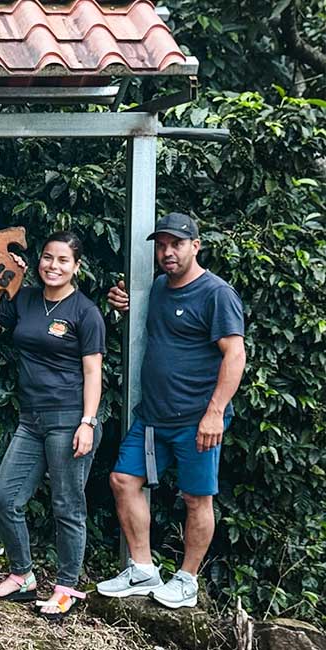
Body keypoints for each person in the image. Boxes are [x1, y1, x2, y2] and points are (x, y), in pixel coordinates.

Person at [97, 212, 245, 609]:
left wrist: (215, 412)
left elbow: (235, 354)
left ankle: (187, 580)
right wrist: (123, 303)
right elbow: (145, 317)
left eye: (176, 244)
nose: (167, 252)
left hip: (197, 419)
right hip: (153, 416)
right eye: (161, 245)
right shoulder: (159, 287)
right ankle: (143, 570)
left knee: (197, 498)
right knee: (123, 480)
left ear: (196, 246)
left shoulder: (217, 293)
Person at [0, 232, 105, 621]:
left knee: (67, 505)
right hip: (30, 420)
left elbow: (93, 371)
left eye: (63, 260)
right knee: (3, 498)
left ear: (76, 267)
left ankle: (66, 588)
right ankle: (22, 576)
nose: (54, 266)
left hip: (69, 419)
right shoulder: (27, 300)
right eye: (48, 258)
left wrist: (88, 422)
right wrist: (10, 282)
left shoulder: (85, 312)